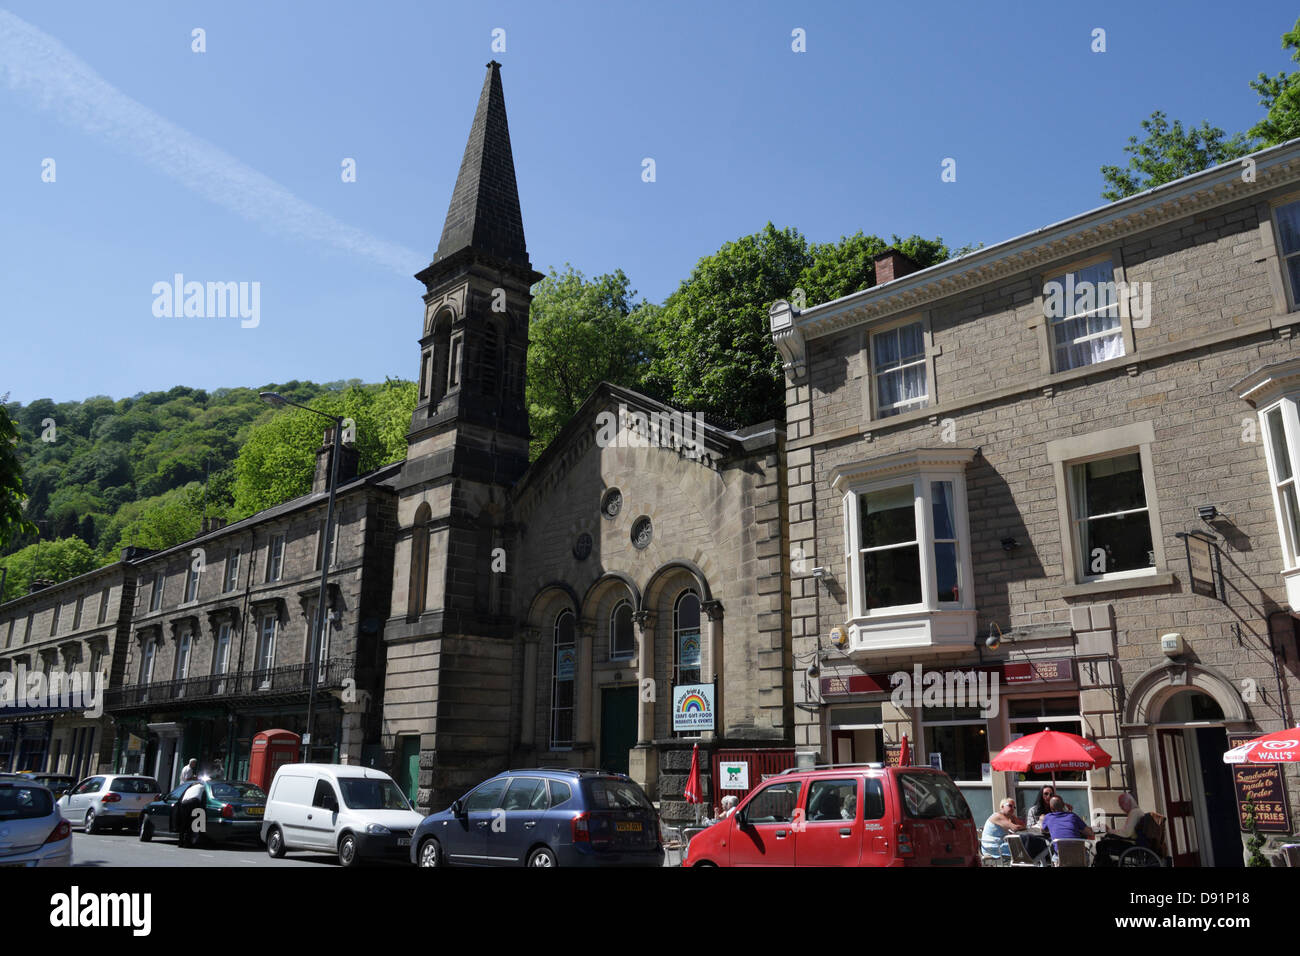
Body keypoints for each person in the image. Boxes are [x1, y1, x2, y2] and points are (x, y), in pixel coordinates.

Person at [1094, 793, 1143, 866]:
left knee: (1100, 845)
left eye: (1122, 804)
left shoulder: (1134, 813)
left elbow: (1126, 833)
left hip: (1132, 845)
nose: (1121, 807)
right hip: (1134, 843)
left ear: (1128, 802)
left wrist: (1109, 830)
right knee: (1103, 844)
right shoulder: (1138, 812)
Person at [174, 780, 207, 849]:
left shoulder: (190, 788)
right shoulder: (203, 787)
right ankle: (188, 843)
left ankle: (180, 842)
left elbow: (181, 798)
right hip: (193, 802)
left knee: (184, 823)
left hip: (184, 802)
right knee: (191, 823)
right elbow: (204, 799)